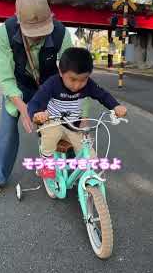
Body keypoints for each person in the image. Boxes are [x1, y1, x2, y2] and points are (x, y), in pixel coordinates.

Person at [0, 0, 92, 195]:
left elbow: (75, 76)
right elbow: (6, 78)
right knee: (7, 131)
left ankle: (70, 172)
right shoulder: (4, 34)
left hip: (49, 88)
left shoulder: (61, 34)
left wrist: (83, 115)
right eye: (32, 31)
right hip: (18, 88)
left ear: (51, 16)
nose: (38, 37)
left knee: (68, 125)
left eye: (42, 30)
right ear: (18, 19)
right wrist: (23, 109)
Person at [27, 47, 127, 183]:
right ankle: (46, 163)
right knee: (51, 135)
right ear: (61, 72)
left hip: (73, 126)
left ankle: (87, 179)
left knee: (90, 156)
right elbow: (35, 101)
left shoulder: (88, 85)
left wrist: (115, 106)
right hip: (53, 122)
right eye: (73, 79)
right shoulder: (52, 84)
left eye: (83, 80)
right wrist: (36, 114)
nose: (77, 85)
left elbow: (102, 95)